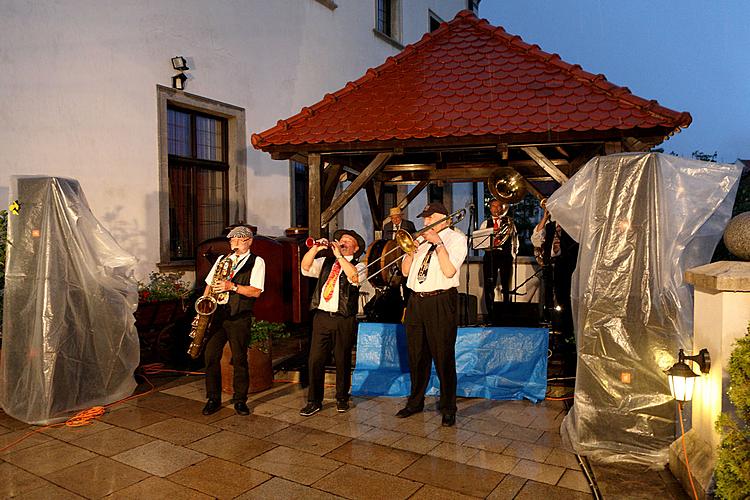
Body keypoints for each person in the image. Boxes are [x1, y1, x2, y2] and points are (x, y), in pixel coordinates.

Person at [397, 202, 467, 427]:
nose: (425, 222)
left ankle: (448, 408)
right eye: (424, 218)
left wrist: (438, 244)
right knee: (416, 355)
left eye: (430, 217)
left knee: (443, 355)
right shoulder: (421, 240)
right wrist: (410, 251)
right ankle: (415, 402)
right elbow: (406, 271)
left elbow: (448, 270)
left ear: (444, 218)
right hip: (416, 301)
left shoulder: (456, 239)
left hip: (441, 300)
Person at [299, 229, 366, 416]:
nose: (342, 242)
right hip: (321, 317)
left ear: (356, 247)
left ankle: (342, 398)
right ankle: (314, 401)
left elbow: (354, 278)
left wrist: (339, 256)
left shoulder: (359, 265)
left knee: (342, 359)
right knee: (315, 360)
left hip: (343, 318)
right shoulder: (326, 262)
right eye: (341, 239)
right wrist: (315, 249)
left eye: (347, 240)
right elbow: (305, 268)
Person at [202, 226, 265, 416]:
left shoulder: (257, 261)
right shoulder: (223, 259)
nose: (235, 244)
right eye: (232, 241)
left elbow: (256, 291)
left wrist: (232, 286)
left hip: (239, 316)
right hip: (219, 314)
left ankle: (240, 400)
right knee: (210, 356)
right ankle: (213, 398)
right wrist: (204, 307)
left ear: (249, 242)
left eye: (239, 240)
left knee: (239, 359)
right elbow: (209, 284)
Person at [531, 198, 578, 337]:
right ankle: (552, 324)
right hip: (551, 263)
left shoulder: (571, 226)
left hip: (566, 264)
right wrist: (544, 218)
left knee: (565, 296)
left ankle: (566, 329)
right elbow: (536, 239)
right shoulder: (550, 226)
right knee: (551, 295)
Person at [479, 199, 518, 318]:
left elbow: (515, 241)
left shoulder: (509, 222)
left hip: (505, 256)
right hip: (490, 257)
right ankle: (490, 314)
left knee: (506, 285)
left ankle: (506, 312)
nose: (496, 209)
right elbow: (480, 242)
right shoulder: (486, 223)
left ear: (502, 208)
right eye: (493, 206)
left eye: (498, 206)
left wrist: (513, 255)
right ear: (490, 208)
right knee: (489, 284)